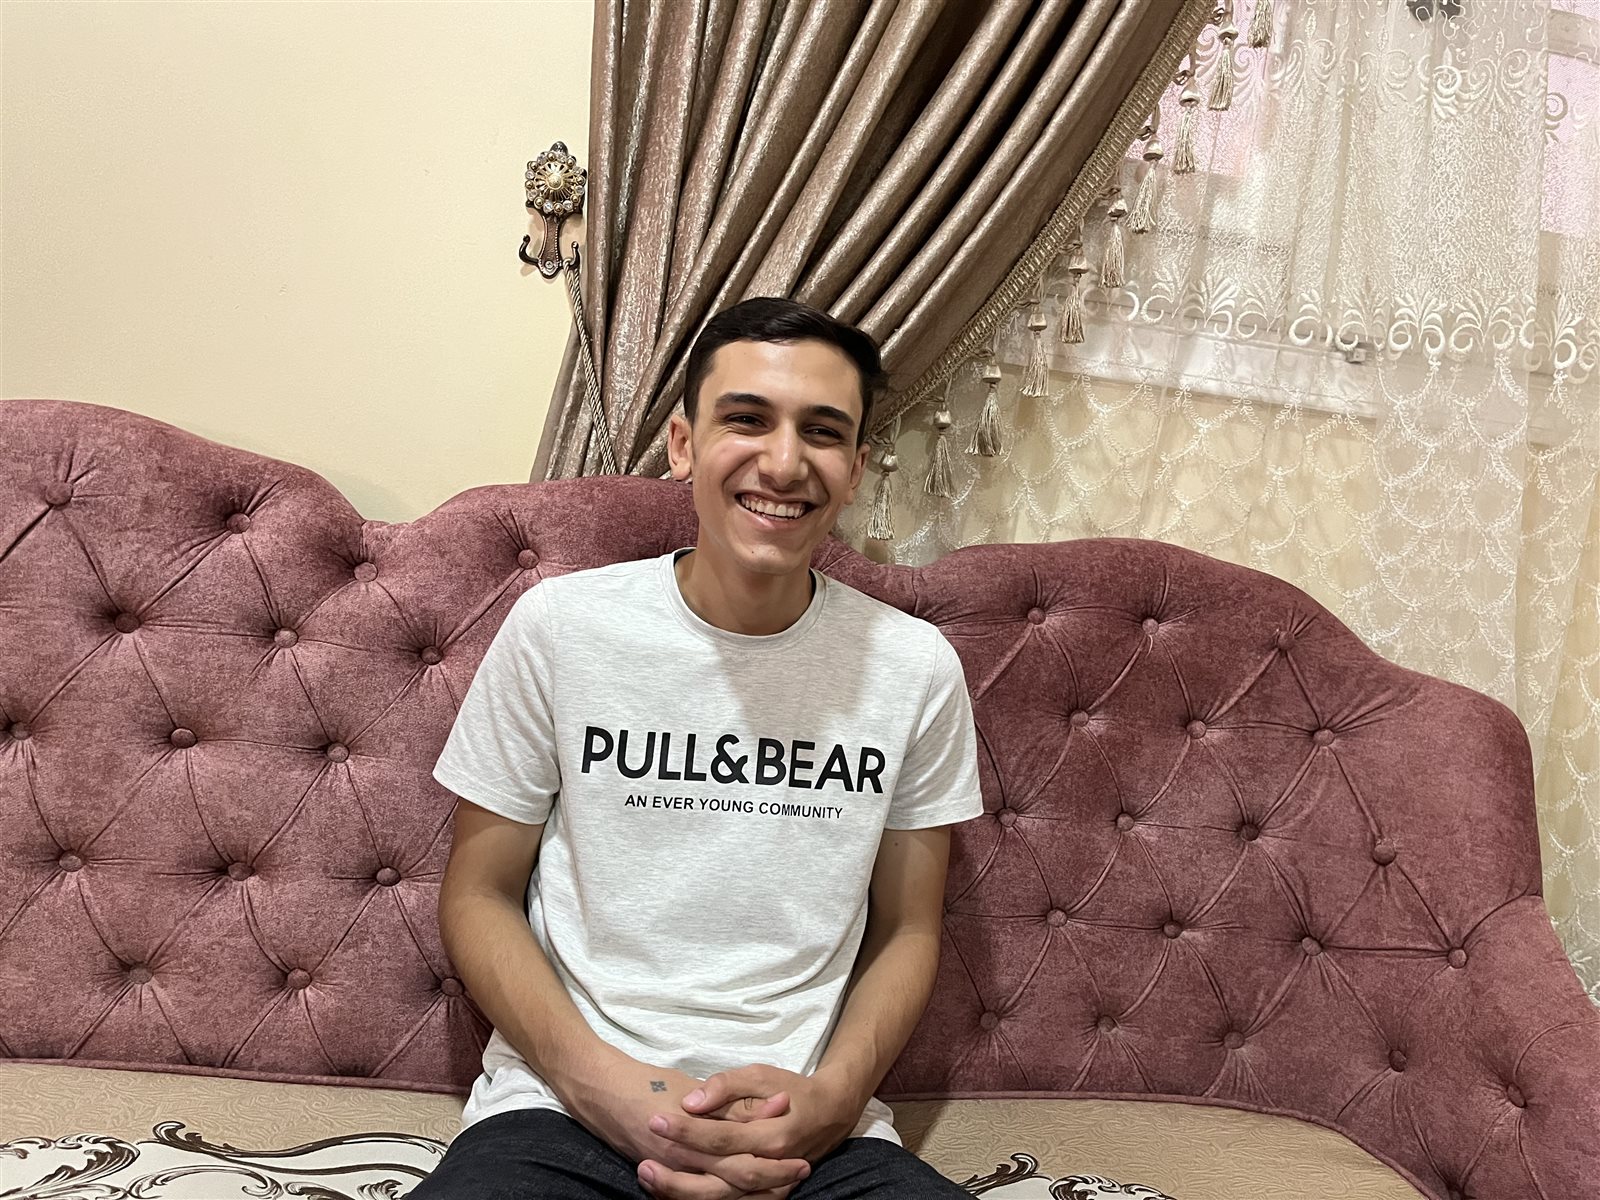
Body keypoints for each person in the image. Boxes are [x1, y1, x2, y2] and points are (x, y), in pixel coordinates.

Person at [415, 297, 983, 1200]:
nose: (784, 462)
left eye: (823, 432)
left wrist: (832, 1100)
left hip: (812, 1133)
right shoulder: (561, 628)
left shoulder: (914, 668)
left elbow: (909, 928)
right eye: (747, 419)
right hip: (562, 1113)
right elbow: (478, 895)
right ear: (682, 444)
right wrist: (604, 1088)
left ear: (855, 470)